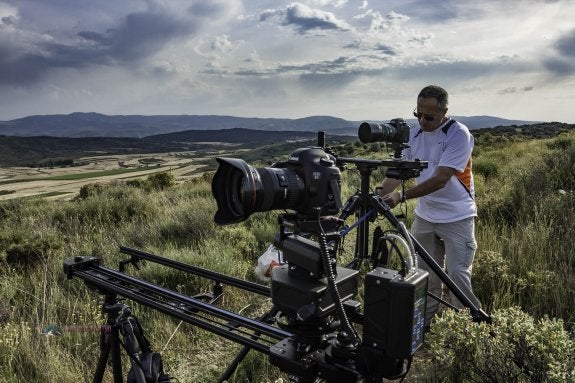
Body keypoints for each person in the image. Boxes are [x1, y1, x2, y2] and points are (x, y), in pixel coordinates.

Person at [379, 85, 481, 328]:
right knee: (425, 275)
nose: (422, 121)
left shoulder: (458, 134)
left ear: (444, 112)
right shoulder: (414, 134)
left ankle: (467, 329)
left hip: (457, 216)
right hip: (426, 216)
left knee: (457, 276)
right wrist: (381, 196)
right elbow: (397, 173)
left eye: (429, 116)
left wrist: (401, 197)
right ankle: (424, 325)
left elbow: (440, 178)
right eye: (418, 114)